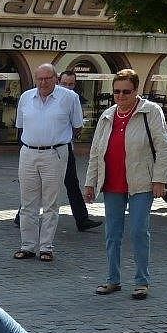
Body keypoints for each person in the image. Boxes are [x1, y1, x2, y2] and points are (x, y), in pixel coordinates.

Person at [83, 68, 167, 300]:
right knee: (112, 233)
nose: (120, 96)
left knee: (138, 230)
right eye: (116, 92)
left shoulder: (150, 111)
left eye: (126, 91)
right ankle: (112, 279)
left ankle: (142, 281)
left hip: (141, 182)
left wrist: (160, 179)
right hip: (112, 182)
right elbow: (96, 152)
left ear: (136, 91)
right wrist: (90, 183)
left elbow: (163, 147)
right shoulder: (107, 115)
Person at [15, 63, 84, 262]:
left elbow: (77, 127)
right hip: (28, 152)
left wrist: (59, 139)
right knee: (27, 203)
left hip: (55, 153)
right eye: (40, 79)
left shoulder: (70, 98)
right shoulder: (26, 97)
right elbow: (20, 126)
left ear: (56, 78)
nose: (43, 82)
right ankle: (27, 246)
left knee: (51, 203)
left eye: (47, 78)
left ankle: (46, 247)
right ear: (35, 79)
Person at [58, 70, 101, 231]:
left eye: (71, 84)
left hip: (66, 147)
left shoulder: (73, 99)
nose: (68, 87)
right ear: (58, 82)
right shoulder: (53, 98)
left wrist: (69, 137)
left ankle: (82, 219)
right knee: (42, 184)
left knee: (72, 184)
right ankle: (22, 215)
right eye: (64, 83)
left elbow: (78, 126)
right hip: (52, 149)